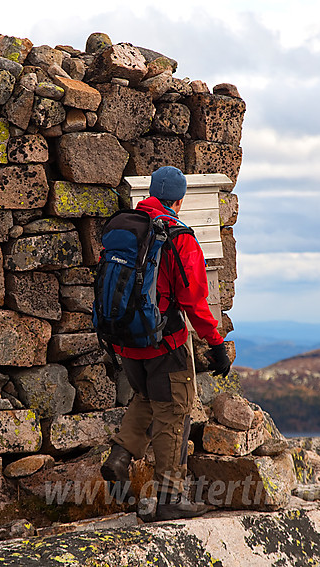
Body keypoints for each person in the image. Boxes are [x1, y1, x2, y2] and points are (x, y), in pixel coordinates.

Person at [100, 165, 232, 521]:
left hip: (127, 342)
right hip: (164, 342)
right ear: (180, 199)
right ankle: (171, 498)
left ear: (150, 195)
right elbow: (193, 300)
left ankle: (119, 457)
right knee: (174, 412)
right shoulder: (179, 237)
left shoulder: (124, 228)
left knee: (146, 397)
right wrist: (216, 344)